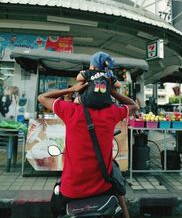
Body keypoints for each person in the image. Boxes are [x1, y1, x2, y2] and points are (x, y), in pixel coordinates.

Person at [38, 81, 139, 218]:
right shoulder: (111, 112)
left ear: (81, 94)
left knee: (55, 205)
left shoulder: (70, 110)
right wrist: (112, 91)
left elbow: (42, 98)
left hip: (71, 191)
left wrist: (71, 88)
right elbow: (134, 105)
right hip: (102, 190)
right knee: (117, 183)